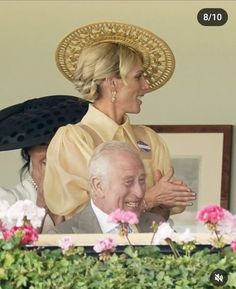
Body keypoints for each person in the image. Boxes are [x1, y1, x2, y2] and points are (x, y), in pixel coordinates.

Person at [44, 22, 196, 221]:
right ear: (112, 83)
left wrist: (164, 202)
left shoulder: (149, 139)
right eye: (138, 76)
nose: (146, 85)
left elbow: (160, 215)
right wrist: (150, 199)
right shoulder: (74, 139)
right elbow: (82, 217)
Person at [0, 95, 89, 232]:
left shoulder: (85, 199)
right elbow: (12, 251)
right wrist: (41, 206)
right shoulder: (7, 201)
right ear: (29, 149)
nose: (53, 152)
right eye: (45, 144)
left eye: (60, 144)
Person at [48, 141, 165, 234]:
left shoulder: (157, 225)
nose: (139, 192)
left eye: (141, 180)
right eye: (128, 182)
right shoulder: (61, 236)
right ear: (98, 186)